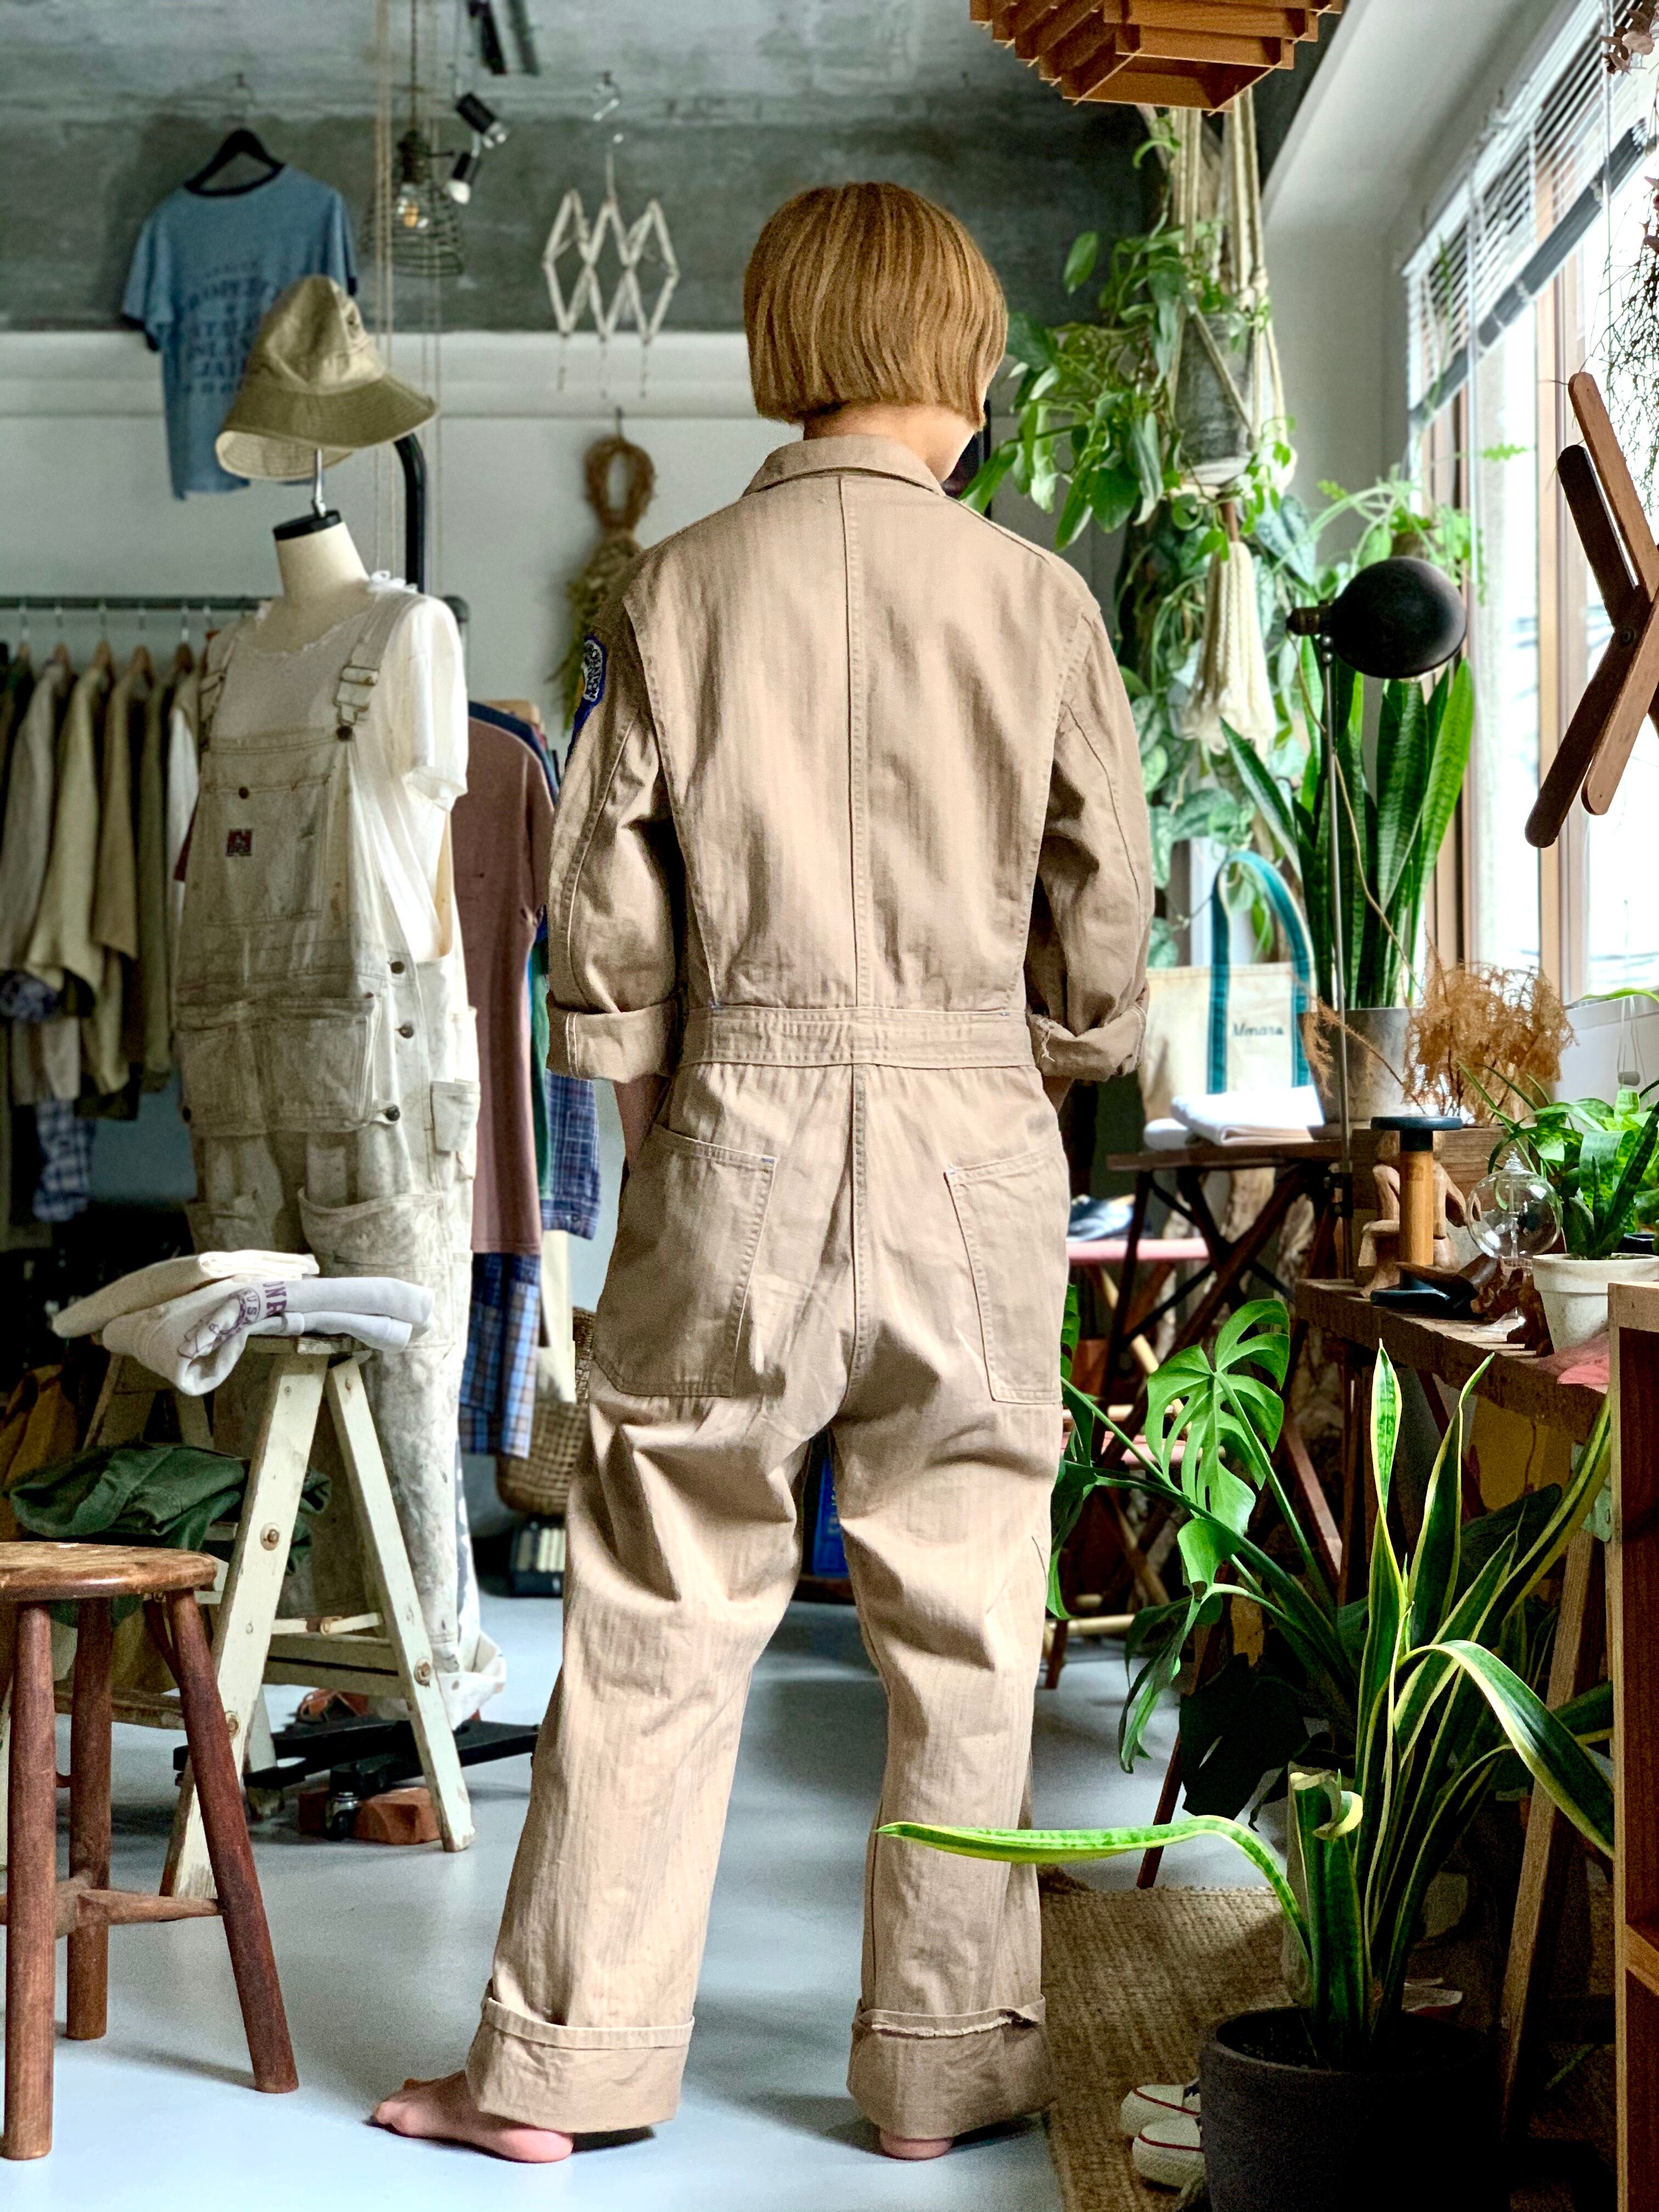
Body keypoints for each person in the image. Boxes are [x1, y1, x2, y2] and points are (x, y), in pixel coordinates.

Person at [374, 179, 1152, 2166]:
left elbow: (607, 925)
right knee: (966, 1619)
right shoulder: (1041, 602)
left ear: (788, 349)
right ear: (960, 359)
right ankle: (944, 2068)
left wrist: (658, 1111)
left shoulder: (679, 591)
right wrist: (1044, 1062)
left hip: (742, 1125)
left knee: (658, 1600)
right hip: (974, 1143)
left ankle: (559, 2075)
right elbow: (1100, 936)